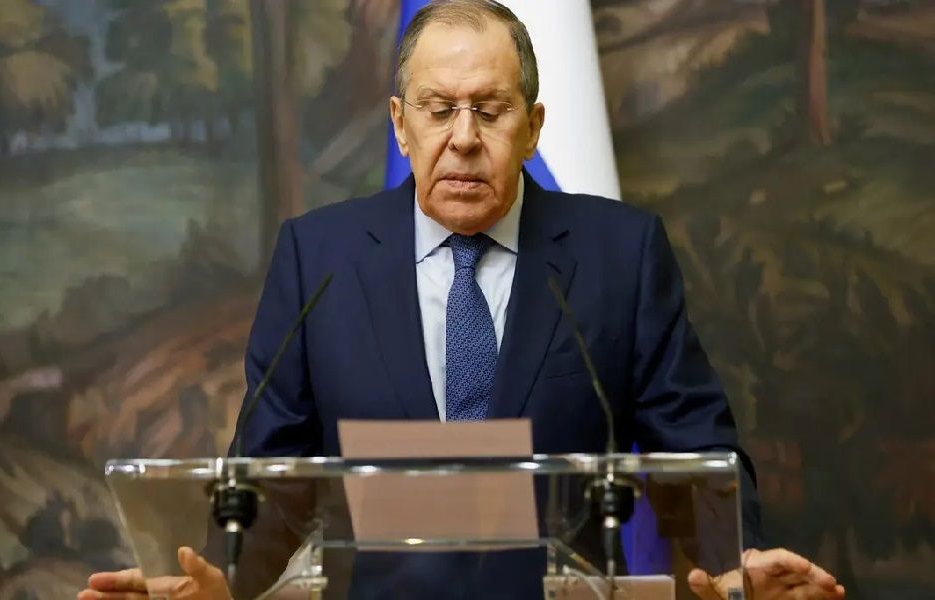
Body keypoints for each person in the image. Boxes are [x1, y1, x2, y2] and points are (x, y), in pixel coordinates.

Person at [81, 1, 845, 598]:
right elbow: (270, 476)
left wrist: (739, 563)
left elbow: (695, 450)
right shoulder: (320, 259)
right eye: (439, 108)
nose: (465, 137)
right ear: (400, 125)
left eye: (491, 108)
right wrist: (216, 577)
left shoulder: (620, 255)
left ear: (533, 127)